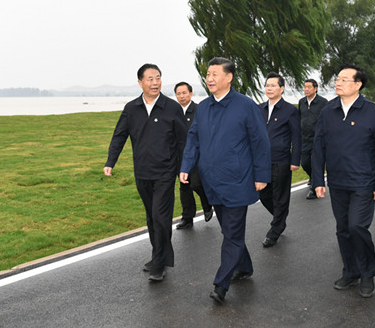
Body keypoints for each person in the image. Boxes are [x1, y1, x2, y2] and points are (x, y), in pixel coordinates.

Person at [180, 57, 271, 304]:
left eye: (214, 74)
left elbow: (260, 142)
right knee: (230, 230)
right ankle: (245, 266)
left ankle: (221, 284)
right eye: (207, 74)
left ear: (228, 77)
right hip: (212, 182)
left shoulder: (246, 106)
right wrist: (186, 166)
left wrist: (262, 175)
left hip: (237, 180)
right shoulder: (204, 108)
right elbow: (193, 139)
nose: (209, 78)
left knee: (231, 234)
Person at [104, 64, 187, 282]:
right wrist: (111, 161)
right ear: (140, 82)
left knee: (161, 217)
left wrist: (184, 168)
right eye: (150, 79)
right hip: (142, 172)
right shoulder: (131, 108)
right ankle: (158, 255)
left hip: (165, 172)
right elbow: (119, 135)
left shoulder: (171, 107)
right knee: (152, 217)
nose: (155, 83)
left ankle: (159, 264)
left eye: (158, 78)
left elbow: (183, 141)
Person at [312, 64, 375, 298]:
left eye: (344, 79)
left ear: (358, 84)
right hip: (337, 181)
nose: (338, 82)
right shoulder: (328, 111)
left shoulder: (373, 112)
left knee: (357, 226)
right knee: (343, 229)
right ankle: (351, 270)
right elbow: (318, 147)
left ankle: (367, 272)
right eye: (338, 79)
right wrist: (318, 180)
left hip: (363, 181)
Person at [258, 72, 301, 247]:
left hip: (281, 160)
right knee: (263, 194)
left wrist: (295, 160)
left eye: (273, 85)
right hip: (262, 161)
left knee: (280, 196)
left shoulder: (290, 110)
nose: (269, 88)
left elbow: (296, 137)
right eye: (267, 85)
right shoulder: (259, 109)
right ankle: (280, 218)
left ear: (281, 89)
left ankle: (275, 230)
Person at [174, 81, 213, 229]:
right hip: (180, 155)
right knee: (184, 187)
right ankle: (187, 218)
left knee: (196, 183)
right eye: (178, 93)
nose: (181, 96)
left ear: (190, 94)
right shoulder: (175, 112)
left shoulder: (199, 110)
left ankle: (207, 203)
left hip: (197, 154)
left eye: (184, 93)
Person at [298, 79, 328, 200]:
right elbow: (299, 118)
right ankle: (313, 177)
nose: (306, 89)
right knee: (305, 163)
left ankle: (314, 189)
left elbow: (327, 120)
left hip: (318, 139)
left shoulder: (323, 102)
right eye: (305, 87)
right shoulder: (302, 102)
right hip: (304, 138)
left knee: (316, 162)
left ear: (315, 88)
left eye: (309, 87)